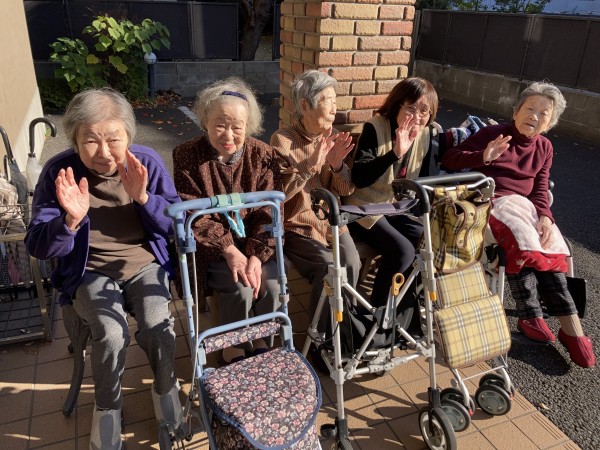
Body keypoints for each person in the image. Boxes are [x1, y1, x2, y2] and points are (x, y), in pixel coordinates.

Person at [25, 88, 183, 450]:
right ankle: (107, 408)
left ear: (128, 135)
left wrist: (144, 198)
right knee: (111, 333)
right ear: (75, 140)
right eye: (90, 140)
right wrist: (69, 221)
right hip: (89, 270)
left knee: (158, 325)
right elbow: (37, 244)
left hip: (143, 264)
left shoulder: (146, 163)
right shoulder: (59, 171)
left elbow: (177, 224)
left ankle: (166, 391)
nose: (104, 151)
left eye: (113, 138)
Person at [442, 81, 595, 368]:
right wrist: (483, 156)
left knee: (550, 243)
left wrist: (545, 217)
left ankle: (571, 329)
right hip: (490, 203)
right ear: (516, 112)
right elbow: (450, 159)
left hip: (524, 208)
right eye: (529, 109)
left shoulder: (545, 147)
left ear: (550, 123)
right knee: (523, 239)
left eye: (543, 114)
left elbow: (540, 189)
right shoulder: (493, 134)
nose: (534, 116)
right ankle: (531, 315)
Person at [172, 77, 281, 364]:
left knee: (270, 285)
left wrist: (255, 255)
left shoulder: (262, 154)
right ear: (205, 121)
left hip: (255, 243)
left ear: (248, 126)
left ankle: (261, 337)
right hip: (211, 248)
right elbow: (192, 213)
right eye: (220, 124)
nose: (228, 135)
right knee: (239, 286)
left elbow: (268, 212)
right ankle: (232, 346)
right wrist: (230, 250)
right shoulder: (186, 155)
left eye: (237, 126)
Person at [343, 77, 439, 331]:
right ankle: (378, 317)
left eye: (424, 111)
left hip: (397, 208)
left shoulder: (427, 135)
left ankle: (401, 313)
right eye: (410, 108)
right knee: (403, 250)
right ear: (396, 105)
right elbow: (359, 178)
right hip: (364, 208)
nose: (416, 117)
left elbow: (426, 179)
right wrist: (394, 154)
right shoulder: (375, 128)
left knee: (424, 239)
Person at [270, 69, 360, 335]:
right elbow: (280, 194)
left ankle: (344, 332)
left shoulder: (330, 137)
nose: (334, 108)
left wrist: (337, 165)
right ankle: (321, 337)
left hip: (332, 222)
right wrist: (309, 165)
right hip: (298, 225)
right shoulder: (283, 140)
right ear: (305, 105)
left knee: (351, 262)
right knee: (328, 268)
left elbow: (345, 188)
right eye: (326, 101)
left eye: (335, 101)